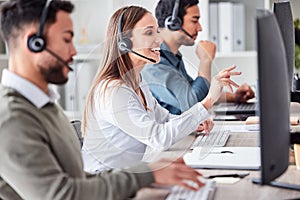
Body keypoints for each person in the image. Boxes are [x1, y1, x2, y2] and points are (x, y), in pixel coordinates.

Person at [0, 0, 209, 199]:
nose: (73, 51)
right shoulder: (12, 118)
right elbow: (65, 195)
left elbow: (80, 181)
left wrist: (149, 176)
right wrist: (147, 174)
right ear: (34, 43)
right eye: (66, 39)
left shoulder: (43, 107)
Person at [82, 5, 240, 172]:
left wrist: (194, 124)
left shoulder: (137, 81)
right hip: (103, 181)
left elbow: (165, 118)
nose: (158, 40)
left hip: (122, 176)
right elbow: (159, 137)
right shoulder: (114, 91)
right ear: (124, 43)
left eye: (157, 32)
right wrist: (208, 102)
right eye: (149, 33)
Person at [141, 0, 255, 114]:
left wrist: (234, 97)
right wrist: (206, 60)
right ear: (174, 22)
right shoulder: (153, 63)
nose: (200, 28)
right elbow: (193, 104)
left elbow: (198, 93)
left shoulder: (172, 57)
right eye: (194, 20)